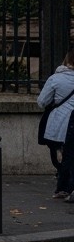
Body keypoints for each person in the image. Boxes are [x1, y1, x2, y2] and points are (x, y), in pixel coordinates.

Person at [36, 48, 74, 200]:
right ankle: (65, 186)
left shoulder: (55, 79)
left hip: (60, 125)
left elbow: (41, 102)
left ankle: (64, 187)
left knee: (64, 156)